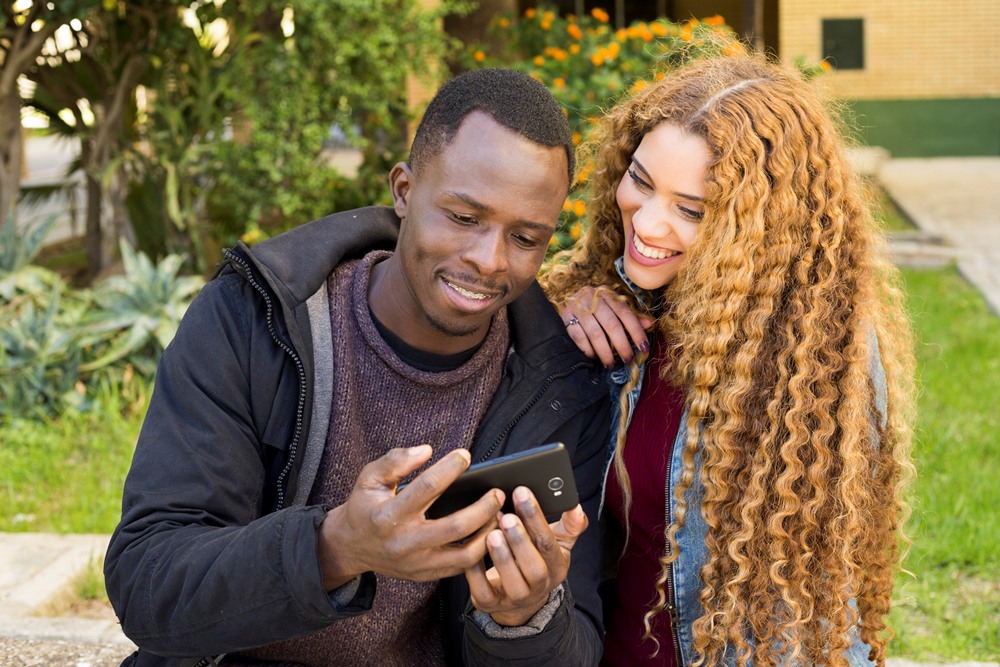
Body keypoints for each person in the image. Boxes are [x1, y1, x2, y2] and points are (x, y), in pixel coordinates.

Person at [104, 68, 610, 667]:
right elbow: (147, 581)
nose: (488, 260)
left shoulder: (559, 383)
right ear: (403, 190)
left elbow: (577, 643)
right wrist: (336, 547)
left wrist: (522, 620)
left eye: (526, 238)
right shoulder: (252, 319)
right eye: (464, 217)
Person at [542, 54, 915, 667]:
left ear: (760, 229)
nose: (649, 222)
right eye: (640, 180)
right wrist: (557, 308)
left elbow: (806, 621)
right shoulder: (607, 309)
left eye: (691, 209)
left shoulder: (813, 360)